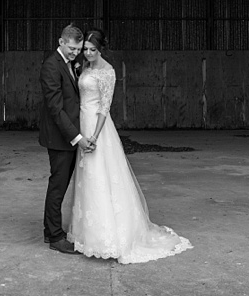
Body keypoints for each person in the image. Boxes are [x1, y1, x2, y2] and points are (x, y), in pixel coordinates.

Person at [62, 28, 193, 264]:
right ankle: (86, 233)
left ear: (101, 49)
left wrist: (94, 135)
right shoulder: (84, 67)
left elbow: (105, 107)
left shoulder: (107, 71)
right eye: (85, 50)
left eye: (93, 50)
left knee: (100, 175)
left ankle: (107, 237)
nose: (88, 54)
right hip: (81, 123)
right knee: (86, 178)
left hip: (96, 127)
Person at [38, 23, 96, 254]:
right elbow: (55, 109)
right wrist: (77, 137)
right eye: (71, 48)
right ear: (61, 42)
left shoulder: (70, 63)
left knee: (59, 185)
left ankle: (48, 230)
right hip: (60, 138)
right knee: (58, 186)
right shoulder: (51, 66)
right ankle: (54, 237)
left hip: (69, 135)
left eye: (78, 49)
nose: (75, 53)